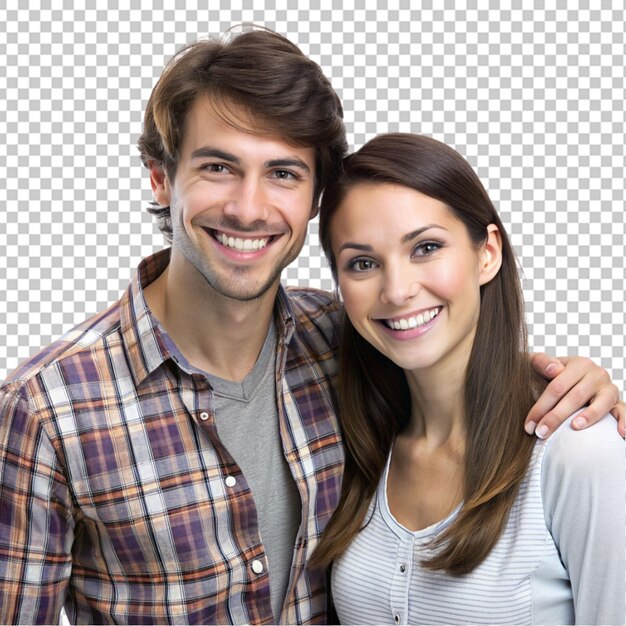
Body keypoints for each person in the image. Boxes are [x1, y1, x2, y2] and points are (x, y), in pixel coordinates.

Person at [0, 30, 622, 626]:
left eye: (283, 173)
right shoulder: (46, 410)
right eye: (218, 167)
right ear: (162, 178)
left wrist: (571, 384)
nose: (248, 207)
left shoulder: (342, 340)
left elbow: (443, 342)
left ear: (316, 196)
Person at [313, 133, 625, 625]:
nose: (396, 291)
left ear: (488, 253)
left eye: (426, 247)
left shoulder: (580, 452)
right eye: (363, 263)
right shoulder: (355, 445)